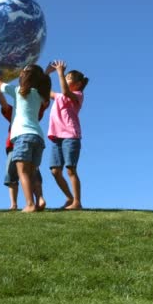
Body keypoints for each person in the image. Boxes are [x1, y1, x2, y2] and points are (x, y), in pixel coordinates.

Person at [0, 64, 51, 213]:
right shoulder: (40, 95)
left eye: (23, 72)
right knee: (32, 172)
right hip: (38, 137)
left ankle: (30, 204)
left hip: (22, 136)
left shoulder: (18, 91)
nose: (20, 73)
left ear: (25, 77)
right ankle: (39, 200)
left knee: (23, 172)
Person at [45, 60, 89, 210]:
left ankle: (77, 202)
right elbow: (45, 90)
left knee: (70, 169)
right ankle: (69, 198)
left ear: (77, 84)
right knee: (55, 171)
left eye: (69, 77)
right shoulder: (58, 96)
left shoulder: (78, 94)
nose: (66, 78)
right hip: (57, 137)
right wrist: (46, 73)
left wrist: (60, 72)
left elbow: (65, 91)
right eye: (66, 77)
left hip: (70, 136)